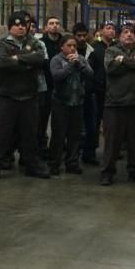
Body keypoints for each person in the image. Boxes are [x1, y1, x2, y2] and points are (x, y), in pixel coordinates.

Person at [0, 11, 50, 182]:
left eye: (24, 25)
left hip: (29, 97)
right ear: (10, 27)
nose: (21, 27)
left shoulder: (33, 42)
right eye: (17, 25)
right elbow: (2, 62)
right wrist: (27, 63)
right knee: (1, 134)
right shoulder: (2, 44)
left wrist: (17, 59)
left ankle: (32, 165)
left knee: (30, 134)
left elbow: (40, 58)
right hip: (7, 97)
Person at [100, 24, 135, 186]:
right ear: (120, 35)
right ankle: (107, 172)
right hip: (115, 104)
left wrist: (124, 61)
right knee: (112, 142)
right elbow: (111, 68)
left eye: (132, 33)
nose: (129, 35)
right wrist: (132, 62)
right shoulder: (111, 51)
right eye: (125, 32)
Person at [49, 34, 93, 175]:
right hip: (61, 102)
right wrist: (69, 65)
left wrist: (79, 64)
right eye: (69, 45)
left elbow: (90, 73)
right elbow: (57, 76)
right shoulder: (56, 60)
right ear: (62, 47)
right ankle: (54, 163)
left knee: (75, 136)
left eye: (74, 46)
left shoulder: (80, 59)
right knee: (58, 135)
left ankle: (72, 163)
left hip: (77, 102)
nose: (73, 48)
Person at [73, 22, 99, 166]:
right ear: (74, 35)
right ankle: (73, 156)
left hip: (89, 94)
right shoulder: (68, 51)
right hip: (73, 95)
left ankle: (89, 154)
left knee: (91, 126)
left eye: (84, 35)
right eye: (79, 36)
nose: (82, 38)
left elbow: (94, 73)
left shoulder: (92, 51)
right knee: (74, 127)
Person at [39, 16, 63, 158]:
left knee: (59, 120)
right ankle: (41, 146)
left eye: (57, 23)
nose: (54, 26)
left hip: (61, 86)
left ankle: (58, 148)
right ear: (46, 27)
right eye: (51, 23)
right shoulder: (41, 43)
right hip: (45, 86)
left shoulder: (64, 42)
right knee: (42, 119)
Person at [91, 20, 116, 137]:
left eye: (113, 29)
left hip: (113, 91)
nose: (111, 31)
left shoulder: (117, 48)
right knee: (95, 120)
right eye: (108, 28)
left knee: (111, 122)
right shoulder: (94, 47)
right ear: (101, 31)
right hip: (98, 90)